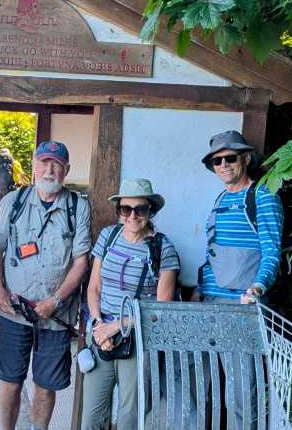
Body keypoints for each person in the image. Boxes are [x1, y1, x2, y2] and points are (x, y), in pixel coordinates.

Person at [0, 140, 91, 430]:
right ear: (34, 167)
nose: (50, 170)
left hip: (57, 315)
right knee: (10, 380)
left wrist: (55, 301)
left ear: (66, 170)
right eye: (44, 163)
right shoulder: (14, 201)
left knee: (46, 385)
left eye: (57, 164)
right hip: (13, 311)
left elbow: (81, 262)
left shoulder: (78, 207)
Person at [197, 130, 284, 429]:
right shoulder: (221, 198)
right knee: (208, 389)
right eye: (216, 161)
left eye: (229, 158)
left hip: (242, 306)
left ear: (245, 158)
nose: (223, 165)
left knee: (243, 391)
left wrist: (258, 287)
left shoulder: (262, 195)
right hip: (209, 305)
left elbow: (272, 250)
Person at [82, 179, 180, 430]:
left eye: (141, 209)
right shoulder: (109, 235)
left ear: (151, 211)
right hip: (99, 334)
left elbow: (161, 310)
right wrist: (97, 325)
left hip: (137, 339)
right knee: (91, 417)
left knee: (129, 417)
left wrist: (117, 326)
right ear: (119, 211)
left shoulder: (163, 249)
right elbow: (94, 287)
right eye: (126, 209)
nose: (133, 215)